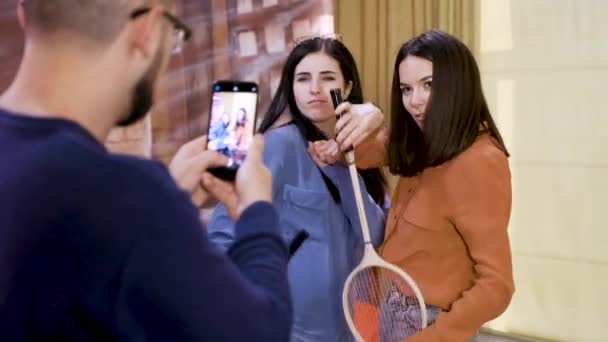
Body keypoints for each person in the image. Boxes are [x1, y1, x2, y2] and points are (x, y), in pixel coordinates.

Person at [0, 1, 292, 340]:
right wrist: (257, 213)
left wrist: (169, 201)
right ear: (146, 31)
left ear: (25, 16)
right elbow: (259, 333)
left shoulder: (127, 203)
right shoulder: (128, 197)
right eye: (176, 36)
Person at [320, 29, 514, 341]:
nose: (415, 101)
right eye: (406, 89)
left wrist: (431, 337)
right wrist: (339, 146)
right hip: (392, 311)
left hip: (431, 324)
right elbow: (379, 149)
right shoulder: (426, 140)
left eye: (429, 85)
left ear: (458, 84)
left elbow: (498, 284)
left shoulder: (479, 161)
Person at [207, 36, 388, 342]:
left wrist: (342, 167)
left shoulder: (361, 152)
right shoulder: (277, 145)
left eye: (327, 77)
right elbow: (224, 232)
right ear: (291, 87)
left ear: (345, 87)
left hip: (345, 329)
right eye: (303, 79)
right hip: (285, 330)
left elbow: (376, 231)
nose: (314, 89)